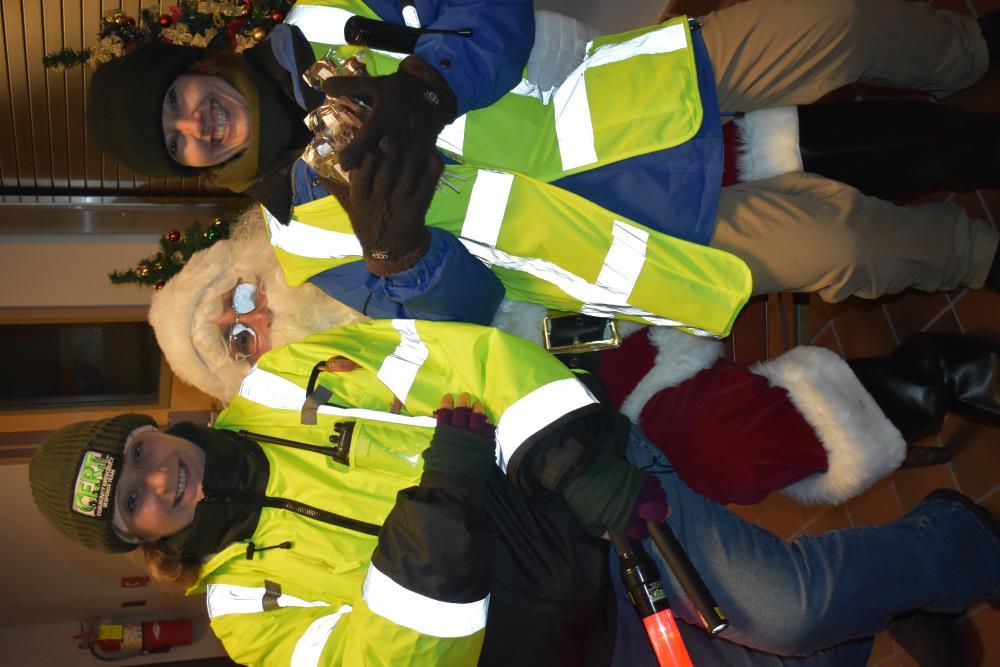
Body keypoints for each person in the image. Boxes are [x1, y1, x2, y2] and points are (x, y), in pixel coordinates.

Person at [28, 320, 1000, 666]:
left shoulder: (289, 382)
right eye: (134, 504)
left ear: (156, 427)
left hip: (583, 487)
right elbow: (394, 657)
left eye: (141, 452)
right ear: (137, 536)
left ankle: (960, 543)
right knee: (780, 650)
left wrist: (572, 458)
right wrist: (440, 505)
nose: (160, 480)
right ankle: (902, 587)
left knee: (788, 607)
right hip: (564, 630)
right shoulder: (247, 616)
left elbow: (469, 355)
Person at [85, 0, 1000, 338]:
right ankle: (976, 252)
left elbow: (491, 8)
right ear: (195, 167)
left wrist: (429, 86)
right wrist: (406, 260)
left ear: (196, 67)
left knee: (842, 24)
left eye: (179, 99)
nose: (197, 123)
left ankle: (971, 49)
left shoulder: (328, 15)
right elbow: (471, 320)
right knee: (850, 248)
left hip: (656, 87)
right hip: (649, 240)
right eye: (179, 140)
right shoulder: (307, 243)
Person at [144, 213, 1000, 506]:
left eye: (236, 296)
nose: (258, 316)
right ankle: (941, 377)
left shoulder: (337, 220)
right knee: (727, 452)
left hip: (579, 268)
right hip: (572, 370)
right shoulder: (334, 397)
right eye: (240, 341)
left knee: (795, 221)